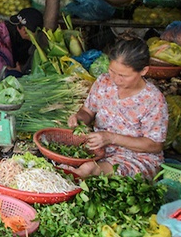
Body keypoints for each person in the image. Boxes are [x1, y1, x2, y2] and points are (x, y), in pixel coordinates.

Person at [66, 37, 168, 179]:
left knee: (89, 170)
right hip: (97, 150)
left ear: (143, 71)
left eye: (123, 75)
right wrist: (78, 118)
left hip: (137, 158)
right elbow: (87, 111)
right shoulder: (103, 82)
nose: (115, 79)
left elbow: (154, 145)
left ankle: (88, 172)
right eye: (112, 71)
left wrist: (111, 138)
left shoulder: (153, 100)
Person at [6, 7, 44, 75]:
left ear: (24, 31)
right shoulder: (40, 41)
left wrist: (18, 71)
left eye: (17, 26)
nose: (17, 29)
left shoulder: (37, 50)